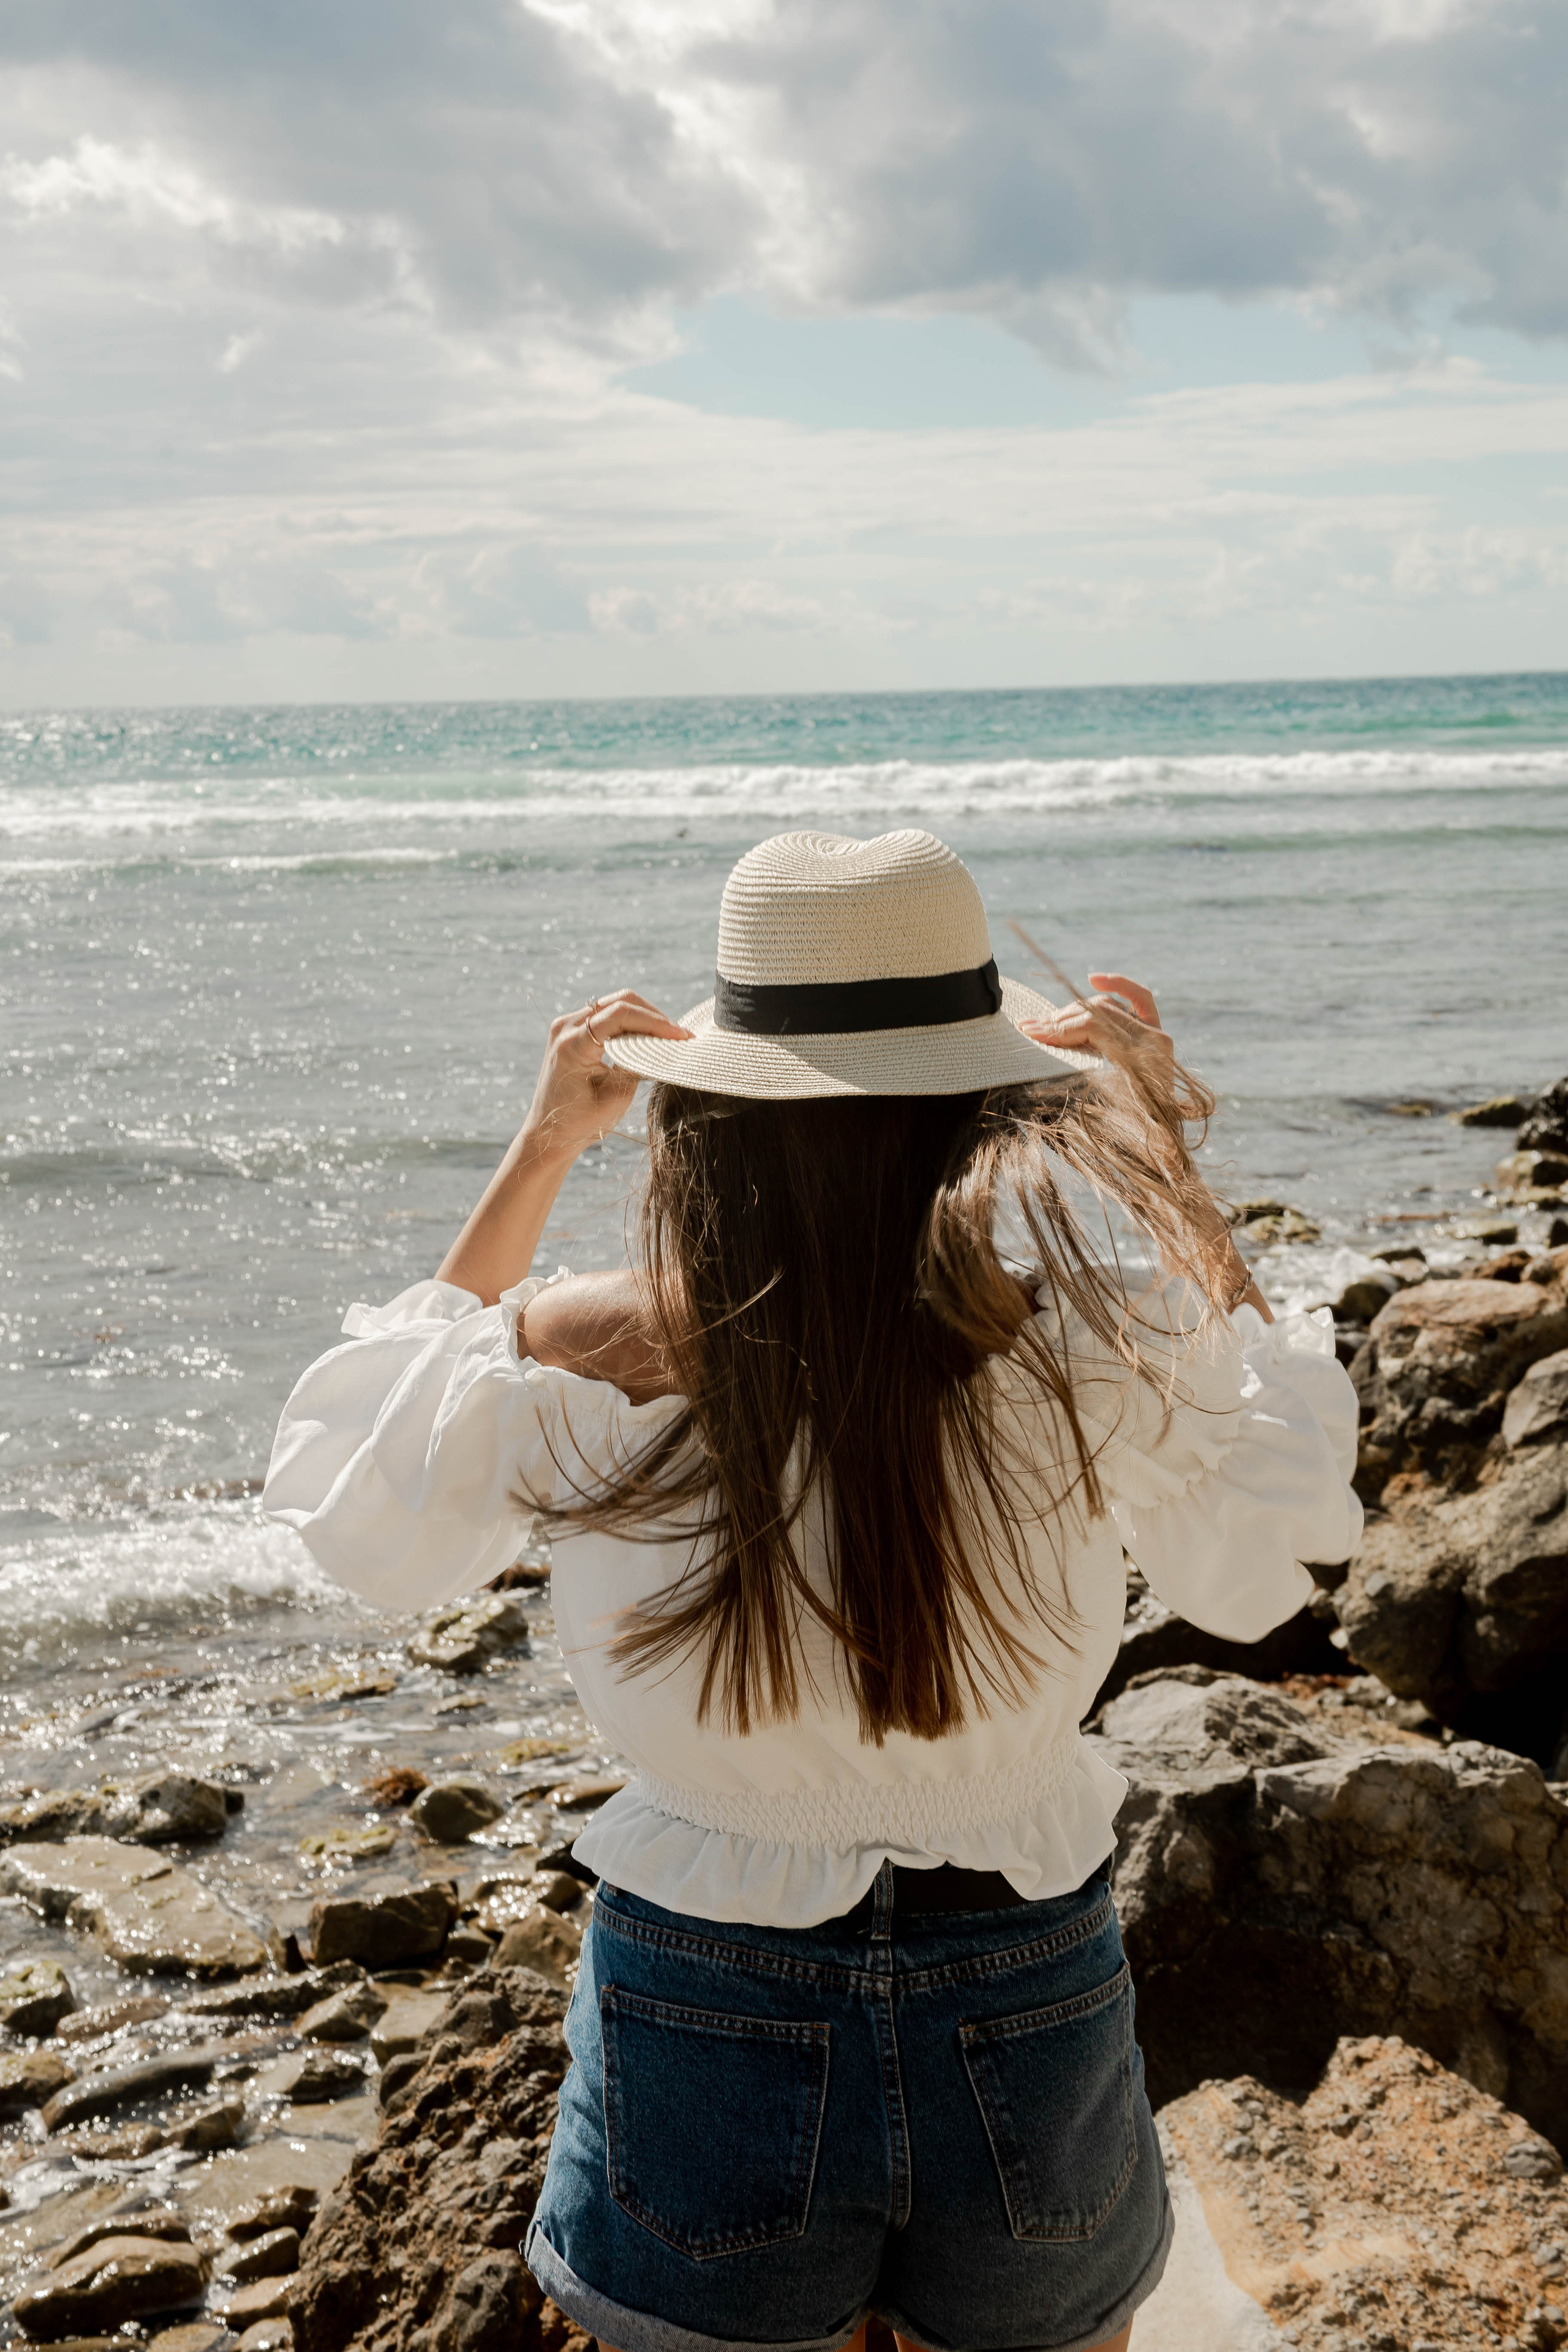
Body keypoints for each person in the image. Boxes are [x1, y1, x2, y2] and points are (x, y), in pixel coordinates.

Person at [265, 828, 1362, 2352]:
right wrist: (1160, 1147)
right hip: (1020, 1970)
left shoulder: (583, 1348)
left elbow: (351, 1504)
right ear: (989, 1105)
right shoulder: (1090, 1346)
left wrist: (543, 1144)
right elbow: (1281, 1532)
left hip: (705, 1991)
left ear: (703, 1109)